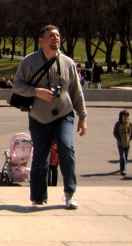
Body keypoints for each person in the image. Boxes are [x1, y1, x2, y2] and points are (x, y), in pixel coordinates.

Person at [12, 25, 87, 209]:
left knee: (66, 148)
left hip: (63, 115)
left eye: (58, 35)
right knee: (40, 157)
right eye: (51, 35)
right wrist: (36, 92)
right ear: (42, 41)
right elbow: (17, 85)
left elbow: (76, 91)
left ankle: (70, 193)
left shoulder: (68, 63)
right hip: (39, 117)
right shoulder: (29, 62)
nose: (56, 38)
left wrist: (82, 116)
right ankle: (38, 197)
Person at [112, 110, 132, 176]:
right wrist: (119, 139)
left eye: (126, 116)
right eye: (124, 116)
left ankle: (124, 166)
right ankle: (123, 169)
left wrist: (129, 139)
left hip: (127, 143)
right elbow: (115, 133)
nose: (125, 117)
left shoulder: (130, 125)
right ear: (121, 116)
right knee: (122, 156)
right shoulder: (118, 124)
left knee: (126, 156)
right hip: (120, 143)